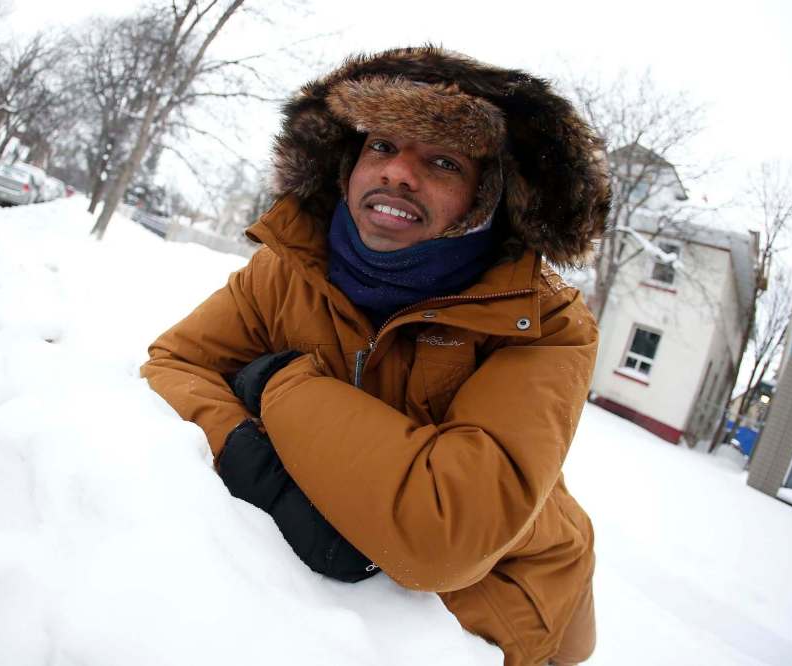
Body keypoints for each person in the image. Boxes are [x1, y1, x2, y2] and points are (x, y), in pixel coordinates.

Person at [141, 46, 610, 666]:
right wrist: (259, 465)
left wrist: (279, 384)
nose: (398, 174)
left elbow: (445, 533)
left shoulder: (541, 325)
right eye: (383, 146)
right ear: (348, 161)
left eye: (442, 161)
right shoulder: (289, 267)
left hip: (504, 614)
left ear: (485, 198)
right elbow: (172, 365)